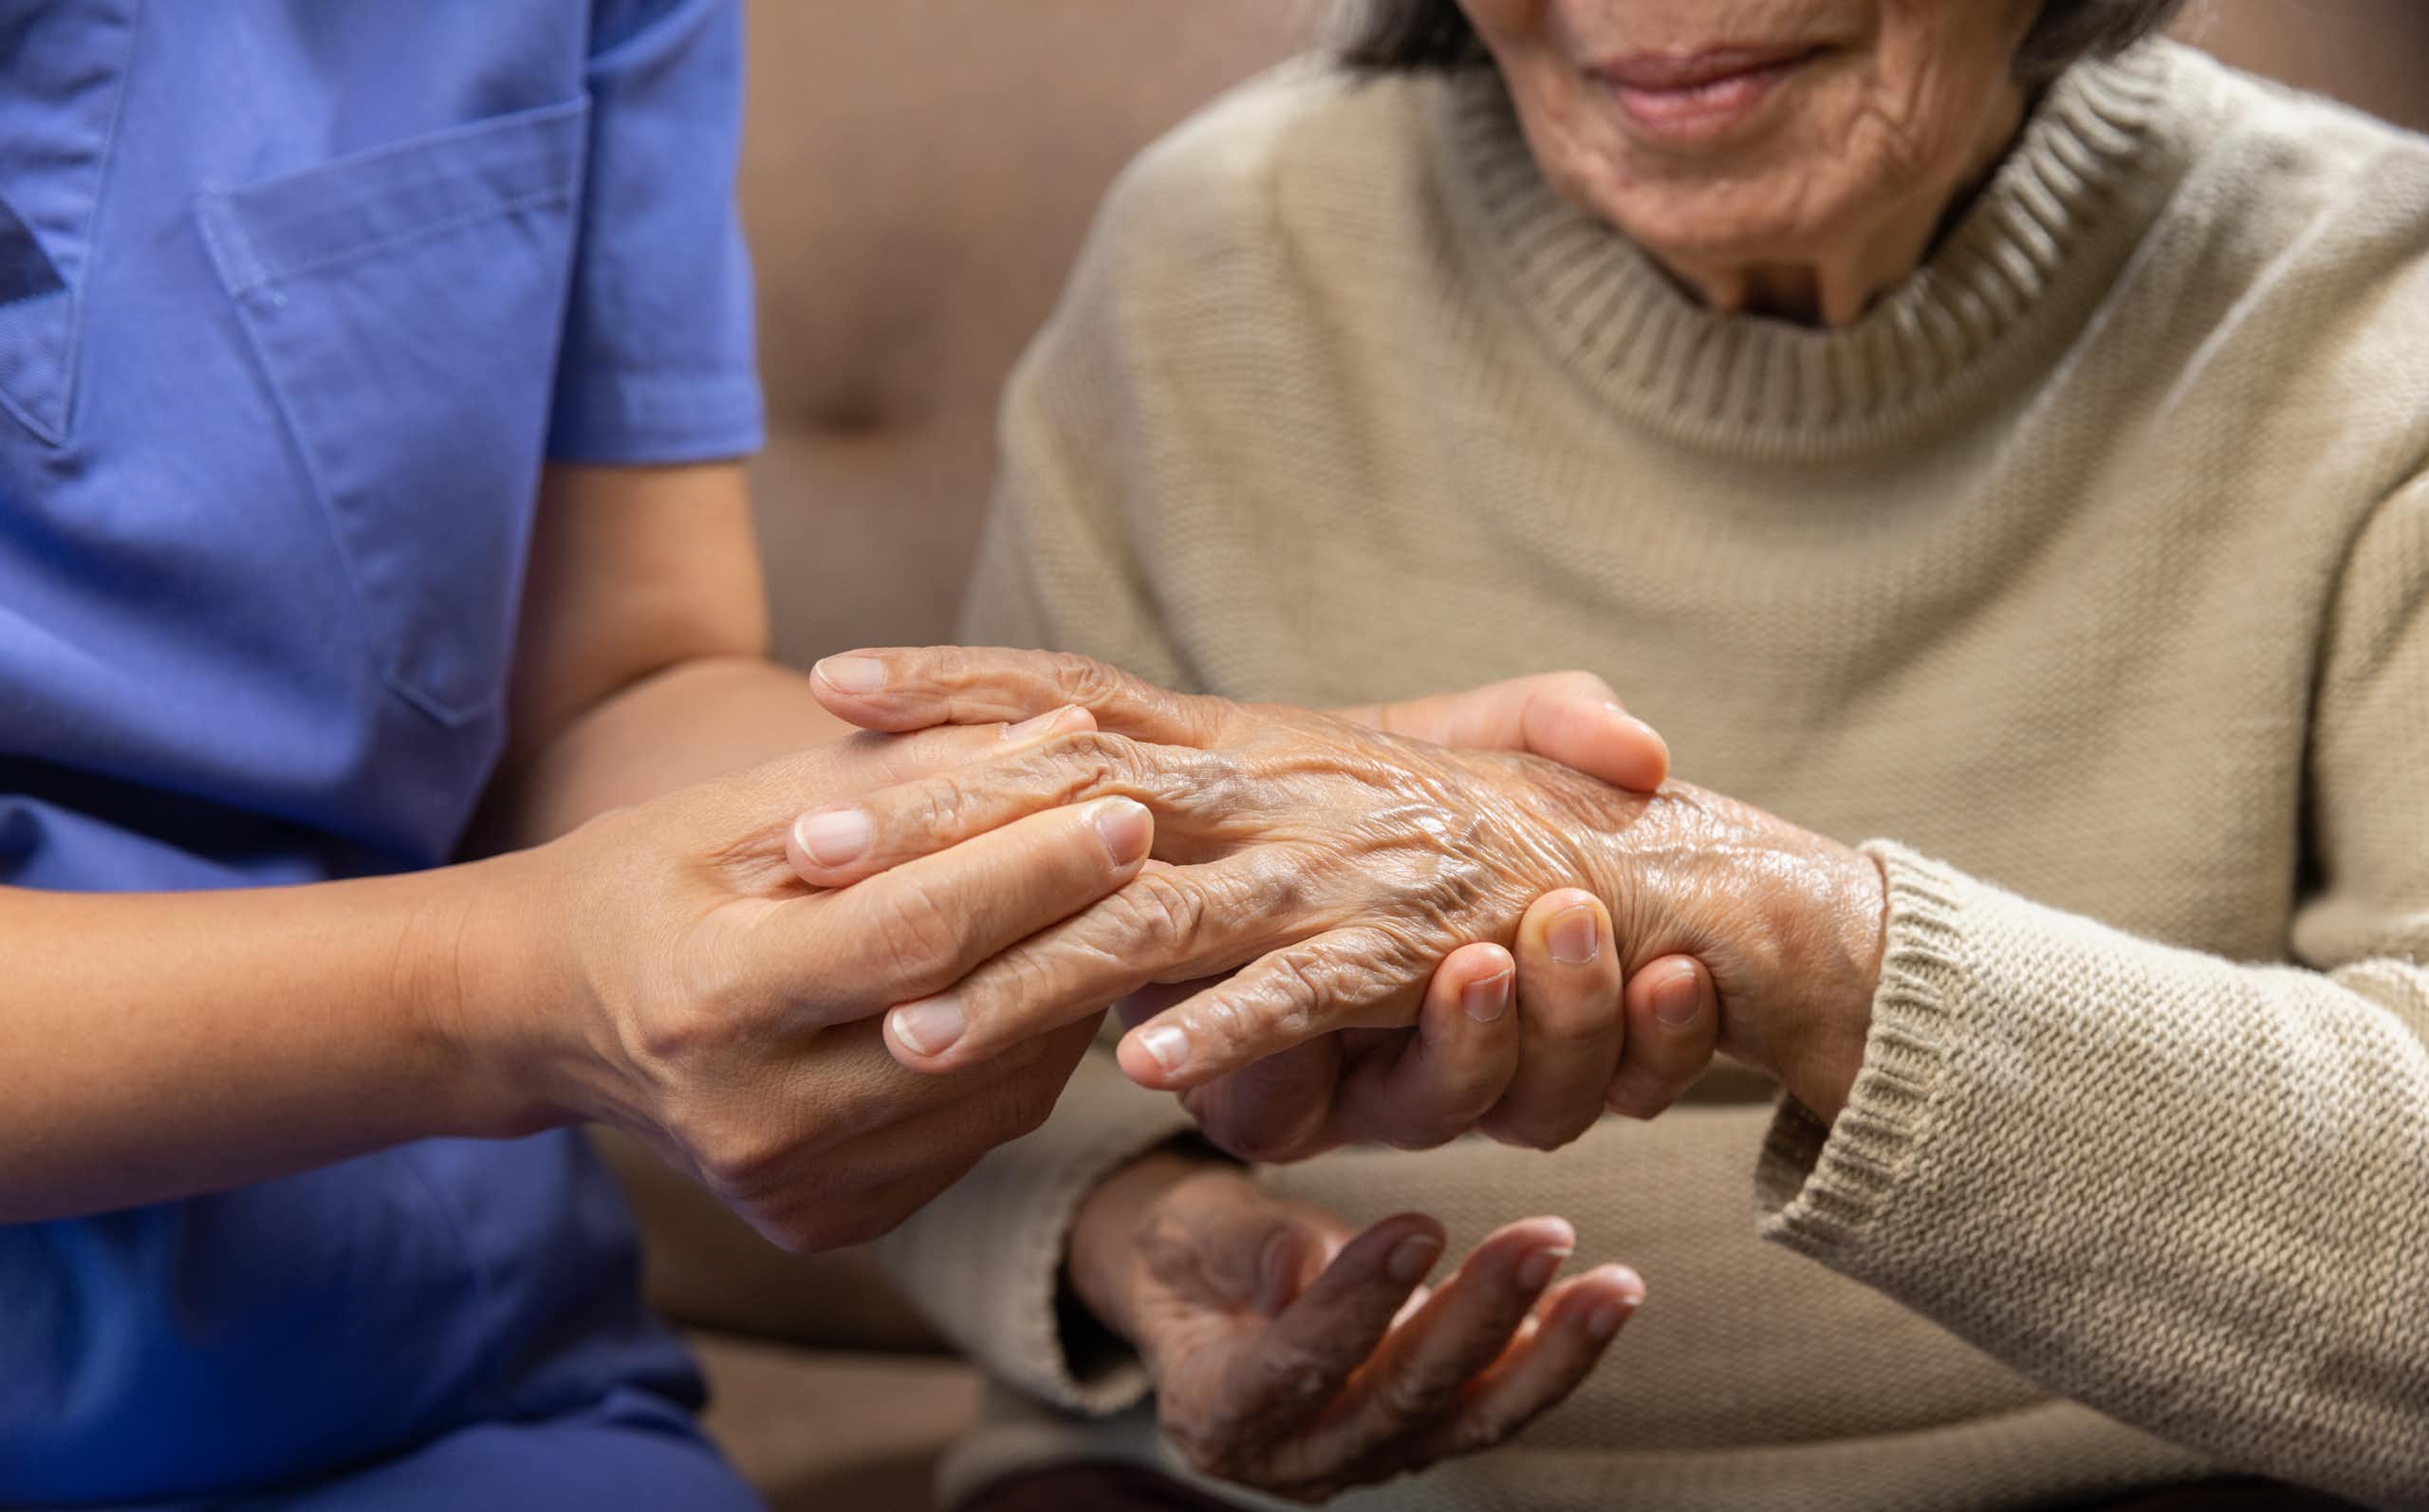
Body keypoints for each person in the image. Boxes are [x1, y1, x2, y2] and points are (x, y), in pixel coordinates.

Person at [0, 4, 1673, 1506]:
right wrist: (505, 986)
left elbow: (613, 688)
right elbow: (536, 961)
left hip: (419, 1372)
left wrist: (1161, 796)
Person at [790, 0, 2429, 1507]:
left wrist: (1779, 932)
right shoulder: (1212, 253)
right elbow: (939, 1057)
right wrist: (1146, 1237)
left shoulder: (2373, 294)